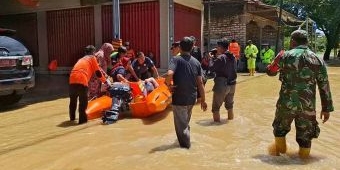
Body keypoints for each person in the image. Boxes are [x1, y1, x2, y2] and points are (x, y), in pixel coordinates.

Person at [266, 29, 334, 159]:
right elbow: (324, 86)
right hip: (307, 106)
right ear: (306, 42)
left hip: (286, 104)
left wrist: (277, 58)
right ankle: (303, 164)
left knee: (279, 131)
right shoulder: (317, 59)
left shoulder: (284, 56)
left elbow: (270, 72)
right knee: (306, 137)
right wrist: (326, 109)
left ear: (292, 42)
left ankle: (280, 159)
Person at [165, 36, 207, 149]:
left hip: (179, 99)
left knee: (181, 127)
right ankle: (186, 142)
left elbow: (169, 74)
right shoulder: (196, 62)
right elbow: (200, 83)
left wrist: (168, 85)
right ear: (192, 47)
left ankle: (186, 149)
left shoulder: (175, 59)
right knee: (185, 123)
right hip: (192, 98)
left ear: (180, 47)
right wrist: (203, 99)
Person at [69, 53, 108, 124]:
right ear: (93, 53)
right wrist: (105, 81)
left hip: (72, 79)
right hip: (82, 79)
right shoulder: (92, 58)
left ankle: (72, 119)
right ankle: (82, 122)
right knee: (83, 103)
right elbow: (98, 72)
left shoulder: (80, 59)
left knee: (73, 101)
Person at [208, 38, 237, 122]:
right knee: (230, 106)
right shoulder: (233, 56)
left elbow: (211, 68)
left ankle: (216, 126)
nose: (216, 49)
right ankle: (230, 121)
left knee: (216, 108)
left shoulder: (221, 58)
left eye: (217, 47)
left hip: (222, 85)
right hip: (232, 85)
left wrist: (211, 58)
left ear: (220, 47)